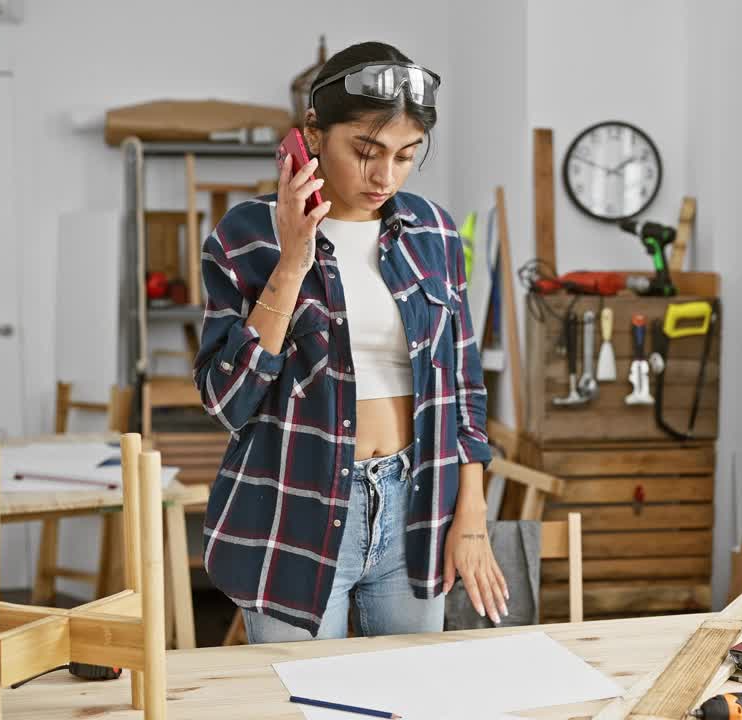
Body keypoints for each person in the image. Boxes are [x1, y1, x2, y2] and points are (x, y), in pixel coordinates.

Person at [194, 41, 508, 643]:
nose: (384, 176)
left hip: (417, 510)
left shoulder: (434, 231)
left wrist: (471, 514)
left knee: (414, 700)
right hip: (295, 516)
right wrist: (292, 261)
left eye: (405, 155)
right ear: (312, 133)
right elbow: (225, 400)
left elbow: (463, 385)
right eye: (365, 150)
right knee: (309, 703)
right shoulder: (246, 236)